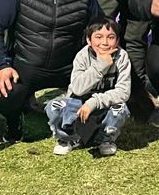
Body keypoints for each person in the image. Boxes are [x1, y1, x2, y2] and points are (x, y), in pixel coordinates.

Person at [0, 0, 103, 143]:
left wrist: (99, 63)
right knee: (4, 95)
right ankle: (14, 121)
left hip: (68, 67)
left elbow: (100, 28)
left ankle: (74, 120)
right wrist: (2, 65)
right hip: (27, 65)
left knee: (95, 109)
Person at [46, 18, 132, 157]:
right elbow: (77, 89)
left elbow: (123, 92)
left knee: (120, 108)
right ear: (88, 40)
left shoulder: (122, 57)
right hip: (78, 103)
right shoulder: (82, 56)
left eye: (111, 37)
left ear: (117, 40)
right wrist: (101, 65)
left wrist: (94, 102)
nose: (105, 42)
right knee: (54, 106)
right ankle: (67, 138)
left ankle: (106, 140)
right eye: (98, 37)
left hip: (104, 105)